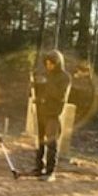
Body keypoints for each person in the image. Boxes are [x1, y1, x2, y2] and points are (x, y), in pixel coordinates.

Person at [31, 50, 71, 180]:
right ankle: (39, 167)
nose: (49, 66)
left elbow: (60, 96)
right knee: (40, 142)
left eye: (51, 64)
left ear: (57, 63)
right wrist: (34, 86)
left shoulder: (65, 77)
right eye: (47, 64)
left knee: (51, 143)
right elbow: (40, 92)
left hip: (53, 114)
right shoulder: (45, 74)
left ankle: (50, 172)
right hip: (41, 111)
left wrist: (47, 83)